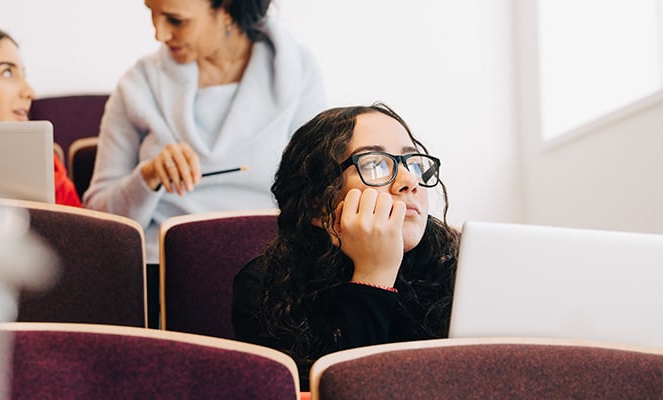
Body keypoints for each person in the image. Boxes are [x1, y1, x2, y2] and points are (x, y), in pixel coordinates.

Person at [82, 0, 326, 328]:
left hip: (270, 271)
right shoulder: (138, 84)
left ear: (226, 10)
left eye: (175, 20)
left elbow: (316, 195)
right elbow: (100, 218)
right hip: (160, 272)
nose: (159, 33)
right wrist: (148, 177)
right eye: (151, 14)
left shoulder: (297, 72)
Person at [232, 103, 461, 390]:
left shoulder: (454, 266)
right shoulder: (264, 286)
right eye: (374, 164)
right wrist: (374, 273)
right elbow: (345, 392)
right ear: (317, 200)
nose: (409, 181)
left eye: (413, 162)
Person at [0, 22, 82, 207]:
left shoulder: (48, 168)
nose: (29, 91)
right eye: (7, 72)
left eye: (24, 74)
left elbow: (81, 233)